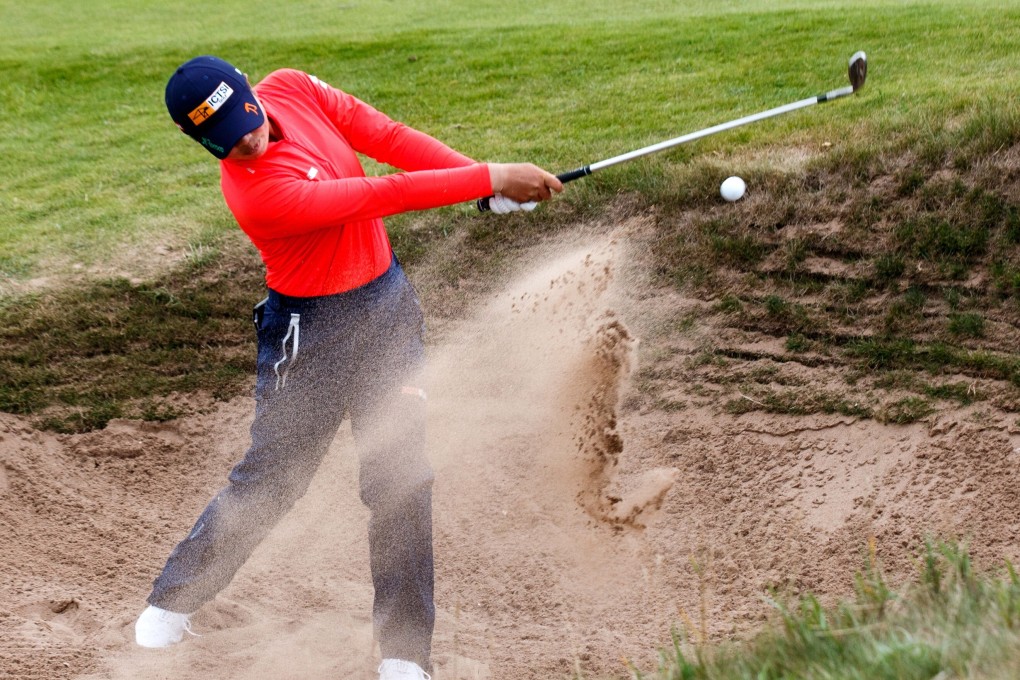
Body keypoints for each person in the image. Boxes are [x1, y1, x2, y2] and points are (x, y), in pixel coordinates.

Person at [136, 55, 562, 680]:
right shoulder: (258, 193)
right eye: (224, 140)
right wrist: (489, 177)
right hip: (311, 334)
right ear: (201, 142)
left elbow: (386, 139)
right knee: (274, 479)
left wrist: (480, 182)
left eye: (245, 120)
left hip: (387, 308)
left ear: (252, 91)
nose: (246, 140)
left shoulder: (294, 88)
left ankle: (403, 653)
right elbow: (376, 195)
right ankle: (171, 603)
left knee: (401, 479)